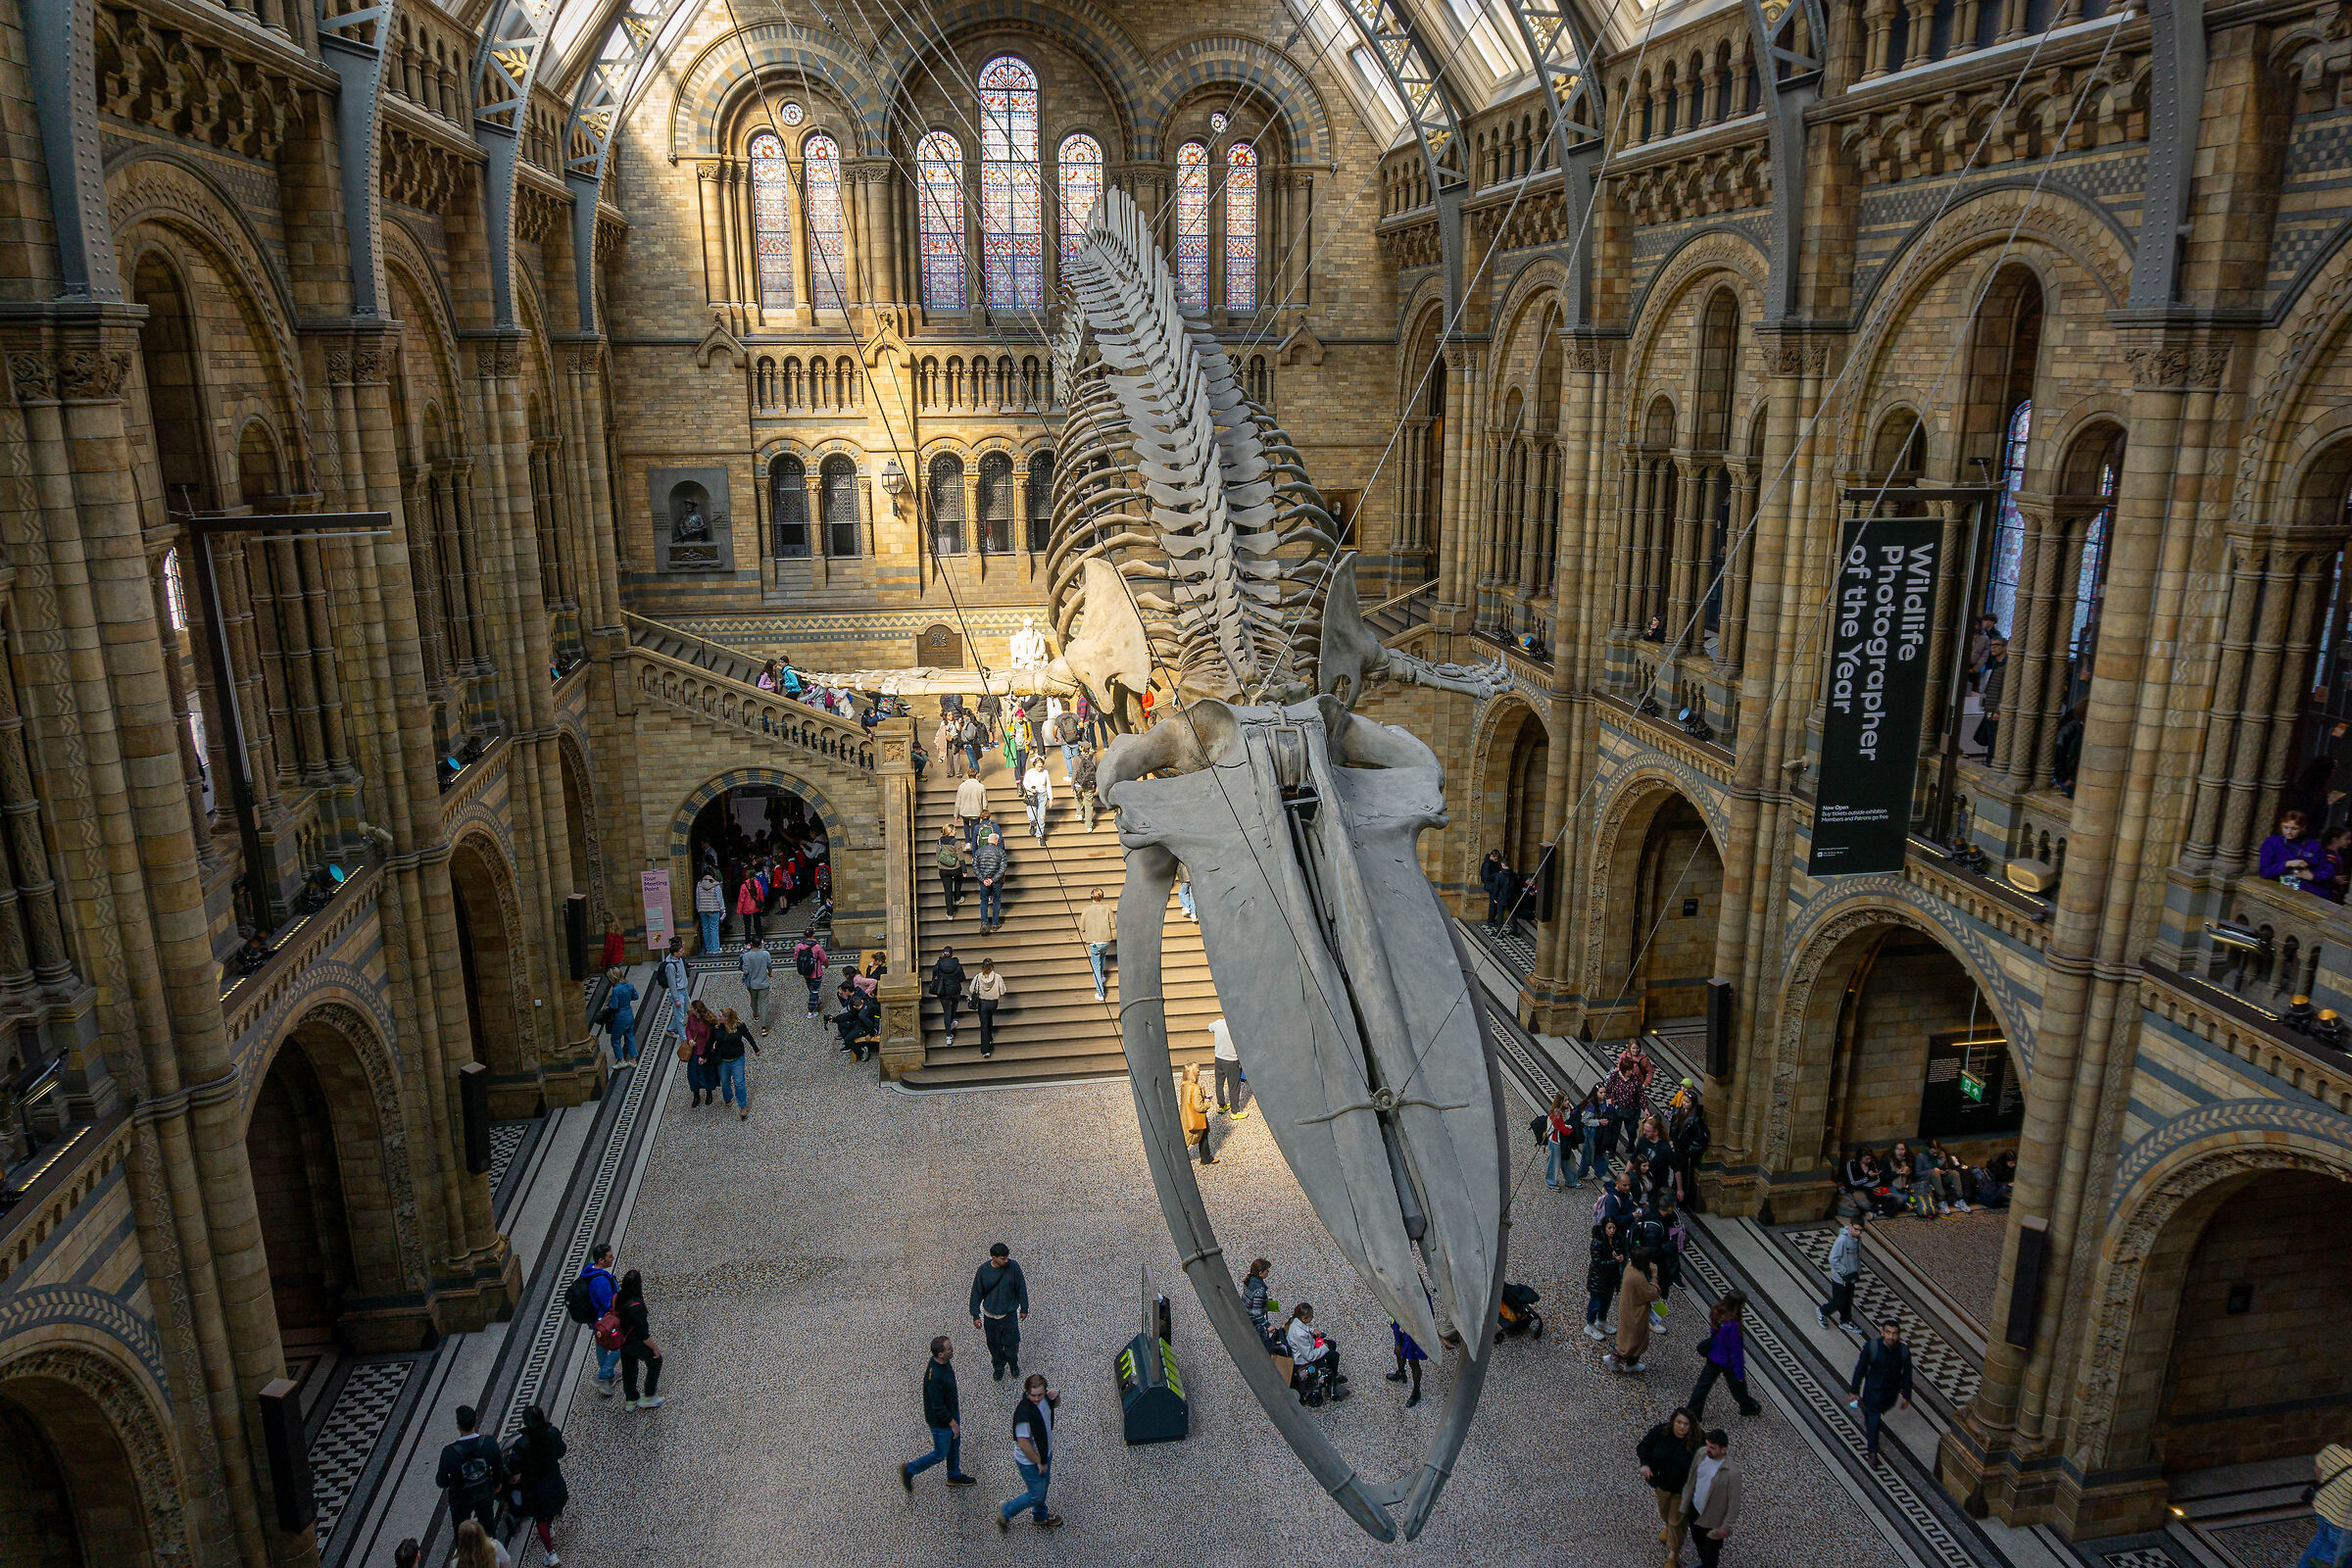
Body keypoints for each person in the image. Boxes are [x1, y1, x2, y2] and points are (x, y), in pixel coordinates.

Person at [901, 1336, 977, 1491]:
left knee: (954, 1445)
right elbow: (937, 1406)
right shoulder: (935, 1376)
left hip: (951, 1412)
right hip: (941, 1421)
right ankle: (909, 1469)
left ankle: (954, 1475)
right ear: (940, 1354)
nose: (952, 1349)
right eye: (949, 1348)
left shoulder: (942, 1362)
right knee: (940, 1453)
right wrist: (953, 1423)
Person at [1638, 1408, 1703, 1568]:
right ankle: (1668, 1528)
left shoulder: (1698, 1441)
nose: (1682, 1427)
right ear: (1673, 1421)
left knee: (1677, 1522)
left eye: (1686, 1424)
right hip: (1662, 1483)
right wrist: (1645, 1464)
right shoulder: (1661, 1433)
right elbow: (1644, 1447)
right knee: (1665, 1512)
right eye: (1679, 1422)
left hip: (1684, 1489)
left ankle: (1672, 1557)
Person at [998, 1372, 1062, 1531]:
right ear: (1027, 1393)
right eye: (1033, 1395)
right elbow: (1023, 1443)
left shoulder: (1045, 1399)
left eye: (1040, 1394)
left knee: (1044, 1484)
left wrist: (1057, 1395)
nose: (1037, 1399)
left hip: (1044, 1453)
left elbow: (1056, 1405)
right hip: (1029, 1461)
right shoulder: (1024, 1413)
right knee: (1036, 1494)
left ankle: (1040, 1516)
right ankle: (1006, 1511)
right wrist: (1038, 1462)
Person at [507, 1404, 568, 1565]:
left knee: (540, 1517)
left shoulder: (522, 1444)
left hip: (534, 1486)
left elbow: (514, 1465)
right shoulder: (552, 1433)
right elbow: (562, 1450)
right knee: (553, 1506)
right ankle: (550, 1526)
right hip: (553, 1478)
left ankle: (551, 1553)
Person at [1847, 1319, 1914, 1462]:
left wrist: (1907, 1395)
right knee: (1874, 1420)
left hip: (1890, 1395)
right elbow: (1860, 1369)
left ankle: (1867, 1412)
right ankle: (1873, 1451)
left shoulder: (1903, 1352)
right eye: (1888, 1332)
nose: (1891, 1336)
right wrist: (1854, 1390)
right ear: (1882, 1332)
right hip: (1873, 1392)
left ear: (1899, 1335)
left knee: (1872, 1416)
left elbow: (1907, 1374)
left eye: (1895, 1334)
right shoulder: (1872, 1347)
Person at [1690, 1294, 1764, 1419]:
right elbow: (1736, 1351)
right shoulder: (1733, 1325)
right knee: (1738, 1387)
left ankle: (1693, 1412)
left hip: (1714, 1355)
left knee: (1703, 1386)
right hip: (1728, 1361)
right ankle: (1748, 1407)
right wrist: (1739, 1373)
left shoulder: (1716, 1312)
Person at [434, 1404, 505, 1533]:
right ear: (475, 1421)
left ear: (458, 1426)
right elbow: (498, 1466)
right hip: (484, 1491)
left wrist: (454, 1482)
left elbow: (441, 1481)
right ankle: (490, 1549)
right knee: (488, 1526)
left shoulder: (449, 1452)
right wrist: (496, 1483)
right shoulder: (489, 1442)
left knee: (462, 1533)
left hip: (461, 1497)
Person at [1680, 1429, 1741, 1568]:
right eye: (1707, 1445)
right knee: (1698, 1541)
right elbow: (1692, 1479)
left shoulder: (1732, 1473)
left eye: (1712, 1448)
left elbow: (1734, 1504)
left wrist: (1726, 1526)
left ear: (1723, 1449)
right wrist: (1685, 1504)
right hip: (1695, 1510)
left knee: (1712, 1551)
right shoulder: (1702, 1454)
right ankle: (1703, 1562)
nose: (1708, 1449)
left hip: (1714, 1520)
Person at [969, 1243, 1029, 1381]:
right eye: (1003, 1258)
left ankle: (1013, 1363)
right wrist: (975, 1315)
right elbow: (976, 1293)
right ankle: (998, 1367)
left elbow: (1021, 1287)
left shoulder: (1014, 1267)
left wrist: (1024, 1308)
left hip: (1009, 1315)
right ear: (993, 1257)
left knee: (1012, 1343)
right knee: (994, 1344)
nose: (1006, 1260)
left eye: (1007, 1257)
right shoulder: (983, 1271)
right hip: (991, 1317)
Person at [2293, 1443, 2352, 1568]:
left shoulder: (2333, 1451)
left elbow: (2318, 1470)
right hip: (2342, 1522)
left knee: (2319, 1541)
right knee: (2331, 1554)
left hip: (2322, 1509)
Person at [614, 1268, 662, 1408]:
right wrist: (655, 1349)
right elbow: (644, 1335)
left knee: (629, 1369)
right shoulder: (637, 1307)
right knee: (655, 1362)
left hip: (622, 1340)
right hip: (635, 1342)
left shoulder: (619, 1297)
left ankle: (631, 1400)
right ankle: (648, 1396)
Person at [578, 1243, 621, 1393]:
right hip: (605, 1321)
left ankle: (608, 1376)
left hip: (595, 1320)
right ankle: (603, 1376)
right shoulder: (600, 1281)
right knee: (620, 1345)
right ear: (601, 1260)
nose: (613, 1258)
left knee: (602, 1345)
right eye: (609, 1256)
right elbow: (608, 1303)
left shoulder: (590, 1270)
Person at [1608, 1250, 1660, 1373]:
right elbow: (1653, 1293)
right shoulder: (1638, 1278)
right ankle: (1622, 1361)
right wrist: (1654, 1276)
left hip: (1628, 1309)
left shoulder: (1630, 1267)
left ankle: (1625, 1361)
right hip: (1635, 1314)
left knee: (1627, 1339)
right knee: (1634, 1342)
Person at [1281, 1303, 1348, 1396]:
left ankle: (1331, 1373)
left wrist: (1312, 1330)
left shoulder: (1295, 1321)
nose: (1312, 1317)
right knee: (1334, 1355)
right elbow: (1309, 1356)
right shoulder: (1300, 1335)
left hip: (1309, 1345)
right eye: (1311, 1316)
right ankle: (1332, 1380)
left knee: (1332, 1343)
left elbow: (1305, 1328)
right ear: (1304, 1319)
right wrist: (1324, 1347)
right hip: (1304, 1359)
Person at [1817, 1215, 1866, 1333]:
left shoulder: (1858, 1239)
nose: (1858, 1233)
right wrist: (1844, 1271)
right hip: (1841, 1277)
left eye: (1860, 1230)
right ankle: (1823, 1311)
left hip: (1851, 1276)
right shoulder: (1842, 1240)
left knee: (1848, 1299)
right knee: (1839, 1300)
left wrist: (1856, 1271)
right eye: (1856, 1229)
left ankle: (1845, 1321)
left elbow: (1856, 1257)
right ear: (1850, 1226)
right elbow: (1833, 1259)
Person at [711, 1005, 759, 1119]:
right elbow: (710, 1041)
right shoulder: (717, 1028)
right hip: (723, 1060)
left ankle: (742, 1105)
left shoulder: (739, 1026)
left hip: (737, 1058)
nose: (718, 1018)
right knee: (725, 1082)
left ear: (727, 1018)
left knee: (739, 1082)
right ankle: (728, 1098)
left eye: (720, 1016)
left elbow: (748, 1036)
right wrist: (703, 1056)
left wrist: (756, 1049)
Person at [2263, 809, 2326, 890]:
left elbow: (2327, 871)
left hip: (2306, 890)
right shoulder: (2272, 842)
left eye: (2294, 829)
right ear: (2281, 825)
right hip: (2277, 887)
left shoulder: (2314, 846)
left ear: (2303, 828)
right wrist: (2286, 864)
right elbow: (2264, 872)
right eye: (2285, 827)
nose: (2289, 832)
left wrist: (2313, 876)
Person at [1585, 1219, 1626, 1340]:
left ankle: (1602, 1321)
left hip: (1610, 1278)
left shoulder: (1616, 1239)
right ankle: (1590, 1325)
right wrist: (1614, 1260)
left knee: (1606, 1302)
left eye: (1614, 1228)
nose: (1612, 1231)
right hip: (1599, 1278)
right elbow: (1597, 1262)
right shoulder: (1598, 1242)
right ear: (1604, 1228)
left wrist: (1618, 1256)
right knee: (1595, 1303)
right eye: (1609, 1228)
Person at [1974, 637, 2009, 755]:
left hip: (1995, 708)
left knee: (1994, 737)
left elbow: (2006, 690)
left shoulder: (2006, 666)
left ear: (2004, 647)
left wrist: (1998, 710)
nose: (1992, 648)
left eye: (1996, 645)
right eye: (1991, 645)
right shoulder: (1996, 664)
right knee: (1988, 735)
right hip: (1989, 706)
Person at [1079, 887, 1114, 1000]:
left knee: (1095, 967)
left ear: (1091, 897)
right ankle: (1102, 976)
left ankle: (1100, 993)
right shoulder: (1107, 908)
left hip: (1094, 942)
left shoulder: (1086, 910)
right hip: (1105, 941)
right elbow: (1114, 925)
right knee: (1102, 957)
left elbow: (1081, 928)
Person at [1210, 1014, 1249, 1118]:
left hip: (1219, 1058)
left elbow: (1210, 1027)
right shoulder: (1236, 1027)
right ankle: (1234, 1111)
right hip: (1232, 1060)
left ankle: (1221, 1105)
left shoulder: (1218, 1023)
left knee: (1219, 1083)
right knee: (1234, 1086)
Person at [968, 956, 1006, 1058]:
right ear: (992, 966)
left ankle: (986, 1050)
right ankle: (989, 1037)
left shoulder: (978, 977)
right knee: (989, 1018)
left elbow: (972, 989)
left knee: (984, 1025)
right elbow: (1002, 991)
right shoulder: (998, 977)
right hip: (993, 1003)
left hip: (983, 1003)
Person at [682, 999, 718, 1105]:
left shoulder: (707, 1021)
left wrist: (705, 1055)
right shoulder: (691, 1017)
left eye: (692, 1007)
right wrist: (690, 1039)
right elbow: (688, 1029)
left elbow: (709, 1040)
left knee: (706, 1074)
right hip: (693, 1052)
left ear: (696, 1009)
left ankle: (708, 1093)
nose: (690, 1009)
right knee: (692, 1075)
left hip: (704, 1052)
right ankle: (696, 1095)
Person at [1180, 1062, 1215, 1165]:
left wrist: (1203, 1097)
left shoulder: (1184, 1084)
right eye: (1197, 1070)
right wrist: (1207, 1103)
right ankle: (1179, 1159)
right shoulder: (1195, 1088)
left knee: (1204, 1134)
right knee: (1188, 1138)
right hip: (1194, 1117)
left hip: (1185, 1114)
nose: (1199, 1072)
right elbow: (1198, 1107)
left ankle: (1206, 1157)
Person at [974, 828, 1008, 934]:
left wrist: (983, 879)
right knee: (996, 901)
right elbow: (1003, 868)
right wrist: (993, 880)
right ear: (996, 841)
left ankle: (984, 922)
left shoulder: (979, 851)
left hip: (983, 881)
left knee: (984, 901)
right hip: (997, 881)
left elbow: (976, 867)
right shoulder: (1001, 852)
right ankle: (995, 923)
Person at [1387, 1318, 1427, 1407]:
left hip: (1413, 1331)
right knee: (1398, 1350)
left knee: (1413, 1362)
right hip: (1400, 1324)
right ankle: (1401, 1373)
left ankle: (1416, 1392)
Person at [1576, 1085, 1611, 1185]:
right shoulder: (1591, 1105)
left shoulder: (1603, 1102)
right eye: (1601, 1093)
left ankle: (1599, 1172)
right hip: (1591, 1131)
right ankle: (1583, 1172)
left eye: (1604, 1092)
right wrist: (1599, 1121)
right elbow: (1585, 1120)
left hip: (1599, 1131)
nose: (1603, 1094)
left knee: (1599, 1151)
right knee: (1588, 1153)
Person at [931, 946, 965, 1047]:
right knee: (953, 1009)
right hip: (955, 991)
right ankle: (951, 1023)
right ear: (952, 954)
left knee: (947, 1011)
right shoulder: (957, 965)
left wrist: (939, 960)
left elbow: (934, 976)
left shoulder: (938, 965)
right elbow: (962, 978)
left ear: (943, 954)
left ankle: (948, 1036)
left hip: (943, 991)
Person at [739, 936, 773, 1037]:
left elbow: (745, 970)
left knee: (753, 1000)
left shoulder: (746, 956)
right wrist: (770, 973)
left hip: (752, 984)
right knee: (764, 1004)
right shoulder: (766, 954)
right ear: (760, 944)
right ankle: (763, 1027)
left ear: (751, 944)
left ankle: (755, 1014)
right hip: (763, 984)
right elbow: (770, 965)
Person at [603, 966, 638, 1063]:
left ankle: (621, 1060)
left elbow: (614, 1006)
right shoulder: (629, 985)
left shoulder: (616, 990)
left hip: (620, 1017)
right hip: (629, 1014)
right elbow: (636, 996)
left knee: (615, 1039)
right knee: (629, 1037)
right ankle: (633, 1059)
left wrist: (609, 1002)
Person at [1545, 1091, 1579, 1189]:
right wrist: (1573, 1127)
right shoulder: (1555, 1114)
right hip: (1556, 1141)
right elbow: (1564, 1130)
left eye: (1568, 1099)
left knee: (1569, 1161)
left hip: (1565, 1142)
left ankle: (1571, 1180)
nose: (1568, 1102)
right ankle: (1551, 1182)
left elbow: (1573, 1118)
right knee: (1554, 1163)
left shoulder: (1568, 1109)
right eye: (1565, 1100)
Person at [1242, 1257, 1278, 1348]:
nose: (1268, 1272)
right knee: (1264, 1348)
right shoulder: (1259, 1290)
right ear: (1260, 1273)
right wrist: (1268, 1325)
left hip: (1246, 1318)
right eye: (1267, 1270)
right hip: (1255, 1323)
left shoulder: (1249, 1280)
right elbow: (1256, 1312)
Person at [792, 929, 828, 1017]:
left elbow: (796, 958)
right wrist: (826, 965)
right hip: (815, 972)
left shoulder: (799, 946)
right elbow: (824, 958)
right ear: (813, 935)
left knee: (810, 987)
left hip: (805, 972)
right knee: (814, 990)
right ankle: (811, 1011)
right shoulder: (816, 947)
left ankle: (816, 999)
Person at [956, 770, 989, 858]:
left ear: (968, 775)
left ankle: (967, 842)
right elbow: (984, 801)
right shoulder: (981, 786)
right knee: (975, 827)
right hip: (976, 810)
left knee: (966, 825)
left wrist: (956, 813)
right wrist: (984, 811)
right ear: (976, 775)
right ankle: (974, 844)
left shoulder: (962, 786)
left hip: (964, 810)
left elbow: (958, 800)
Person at [1022, 755, 1053, 843]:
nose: (1040, 768)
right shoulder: (1030, 772)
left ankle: (1040, 835)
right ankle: (1032, 824)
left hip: (1042, 795)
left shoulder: (1045, 772)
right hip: (1032, 795)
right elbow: (1025, 782)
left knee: (1041, 817)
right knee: (1032, 815)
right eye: (1038, 766)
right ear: (1034, 765)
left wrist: (1050, 798)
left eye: (1041, 766)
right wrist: (1030, 788)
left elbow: (1048, 785)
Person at [695, 867, 725, 952]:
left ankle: (708, 948)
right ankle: (715, 948)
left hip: (702, 909)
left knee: (705, 928)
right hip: (714, 909)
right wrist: (722, 909)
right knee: (714, 928)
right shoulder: (716, 885)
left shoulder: (699, 884)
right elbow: (720, 898)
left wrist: (698, 908)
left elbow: (698, 898)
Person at [1071, 743, 1100, 831]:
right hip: (1090, 784)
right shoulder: (1093, 758)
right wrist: (1095, 785)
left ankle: (1079, 813)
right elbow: (1096, 772)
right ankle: (1088, 826)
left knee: (1077, 796)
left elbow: (1075, 772)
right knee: (1089, 804)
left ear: (1082, 748)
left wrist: (1072, 785)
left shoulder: (1077, 758)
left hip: (1079, 783)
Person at [936, 826, 964, 914]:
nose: (956, 831)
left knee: (947, 891)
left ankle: (950, 913)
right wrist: (964, 870)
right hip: (955, 868)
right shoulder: (956, 842)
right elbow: (960, 857)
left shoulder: (939, 842)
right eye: (955, 830)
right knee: (958, 881)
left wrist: (940, 865)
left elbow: (938, 855)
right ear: (951, 832)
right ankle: (957, 898)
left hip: (943, 869)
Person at [1481, 850, 1511, 930]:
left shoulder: (1493, 863)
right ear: (1492, 856)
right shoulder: (1487, 865)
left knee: (1495, 903)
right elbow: (1485, 878)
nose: (1497, 861)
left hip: (1495, 885)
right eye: (1496, 859)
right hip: (1491, 886)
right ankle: (1490, 920)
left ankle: (1492, 919)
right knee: (1493, 904)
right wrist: (1498, 875)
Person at [935, 712, 963, 780]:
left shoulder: (955, 722)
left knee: (956, 756)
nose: (951, 716)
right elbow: (941, 731)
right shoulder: (943, 723)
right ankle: (950, 772)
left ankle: (958, 772)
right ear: (946, 716)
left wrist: (959, 723)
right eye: (949, 715)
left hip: (954, 740)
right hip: (947, 741)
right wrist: (945, 729)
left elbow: (959, 729)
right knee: (949, 757)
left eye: (951, 715)